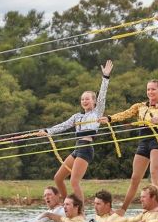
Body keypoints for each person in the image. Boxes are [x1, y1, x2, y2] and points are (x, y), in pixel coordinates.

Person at [33, 60, 113, 202]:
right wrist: (47, 131)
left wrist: (105, 77)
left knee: (74, 182)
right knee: (58, 178)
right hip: (77, 149)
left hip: (86, 148)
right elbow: (63, 126)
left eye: (87, 99)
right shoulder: (77, 116)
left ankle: (80, 213)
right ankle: (67, 206)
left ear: (94, 101)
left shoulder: (97, 113)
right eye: (82, 99)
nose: (84, 101)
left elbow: (103, 96)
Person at [100, 80, 158, 213]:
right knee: (135, 178)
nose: (150, 92)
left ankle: (157, 208)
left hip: (157, 140)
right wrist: (109, 118)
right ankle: (123, 210)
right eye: (148, 89)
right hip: (143, 142)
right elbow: (125, 114)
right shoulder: (139, 106)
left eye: (153, 89)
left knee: (154, 172)